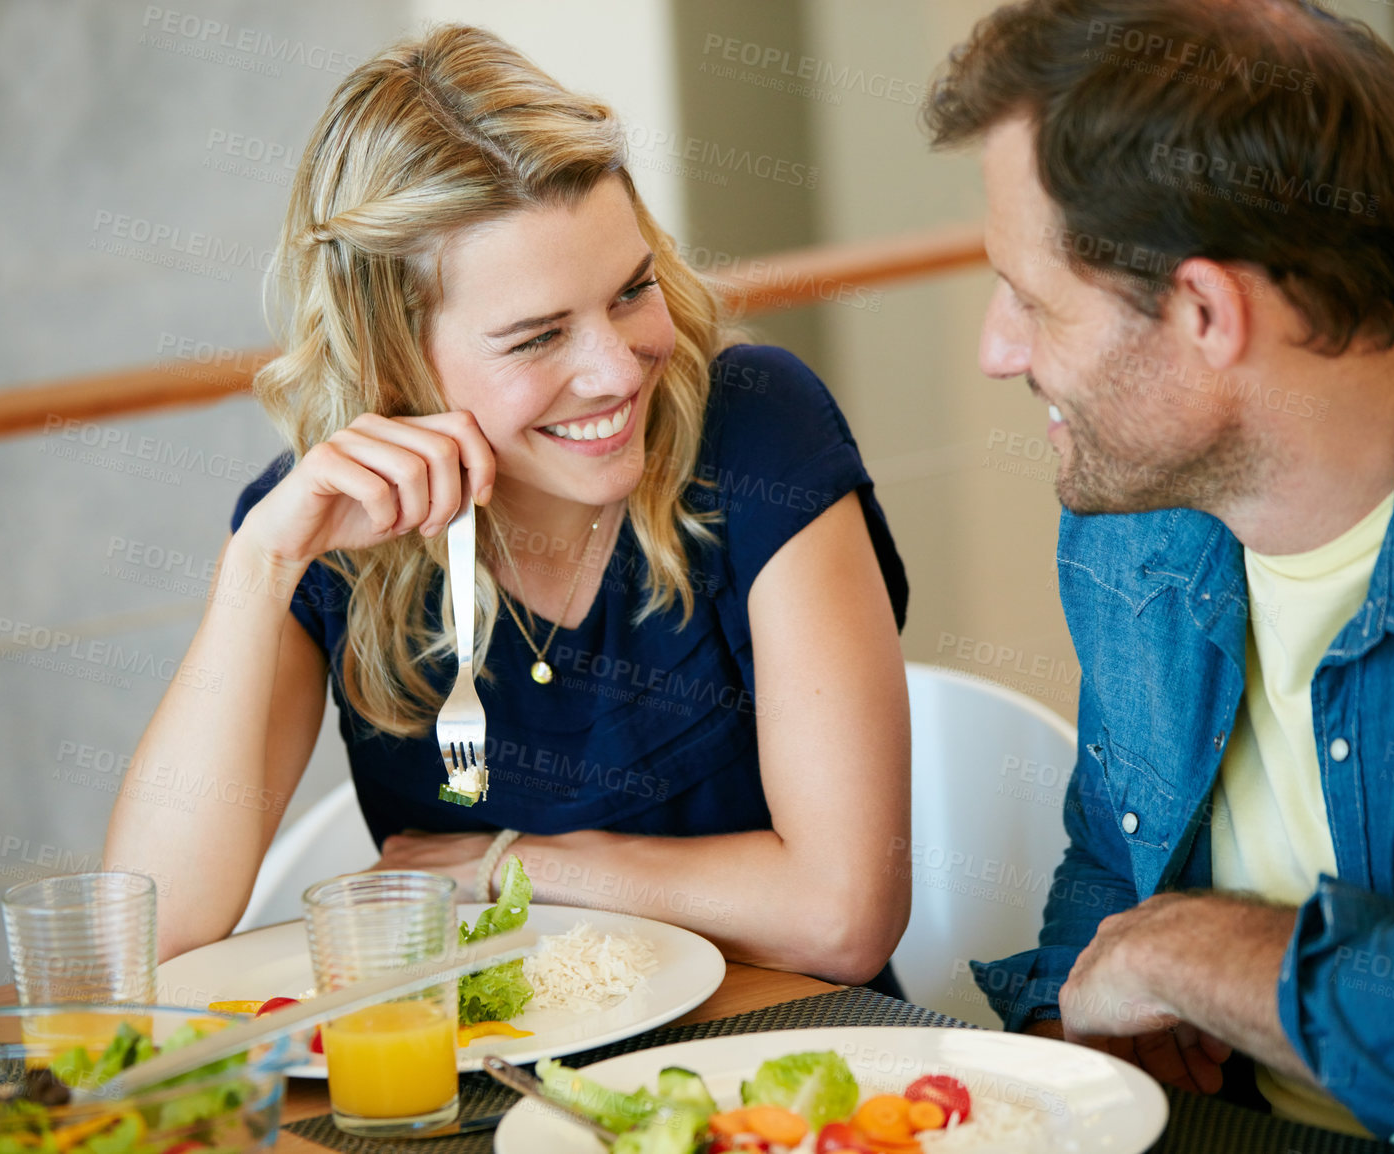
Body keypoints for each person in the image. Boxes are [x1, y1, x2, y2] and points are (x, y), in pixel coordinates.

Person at [103, 24, 912, 989]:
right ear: (391, 356)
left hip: (777, 1095)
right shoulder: (323, 527)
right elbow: (142, 943)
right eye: (536, 339)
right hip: (486, 1087)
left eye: (631, 291)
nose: (616, 371)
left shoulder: (755, 431)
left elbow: (843, 918)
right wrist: (256, 572)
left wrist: (510, 866)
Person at [923, 0, 1394, 1145]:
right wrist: (1070, 1039)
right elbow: (1112, 864)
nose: (996, 349)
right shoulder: (1137, 510)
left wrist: (1185, 951)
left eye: (1031, 299)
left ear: (1204, 311)